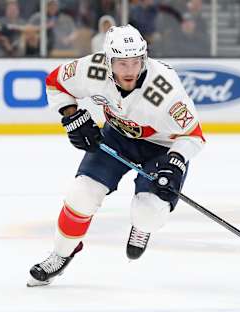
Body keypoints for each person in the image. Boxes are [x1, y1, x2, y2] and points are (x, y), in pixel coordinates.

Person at [27, 24, 205, 287]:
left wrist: (175, 162)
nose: (130, 70)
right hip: (117, 137)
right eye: (122, 63)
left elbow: (193, 135)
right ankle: (61, 253)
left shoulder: (166, 90)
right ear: (108, 60)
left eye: (136, 62)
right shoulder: (92, 69)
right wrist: (72, 116)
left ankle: (142, 225)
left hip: (162, 147)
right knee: (82, 193)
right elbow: (55, 82)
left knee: (149, 211)